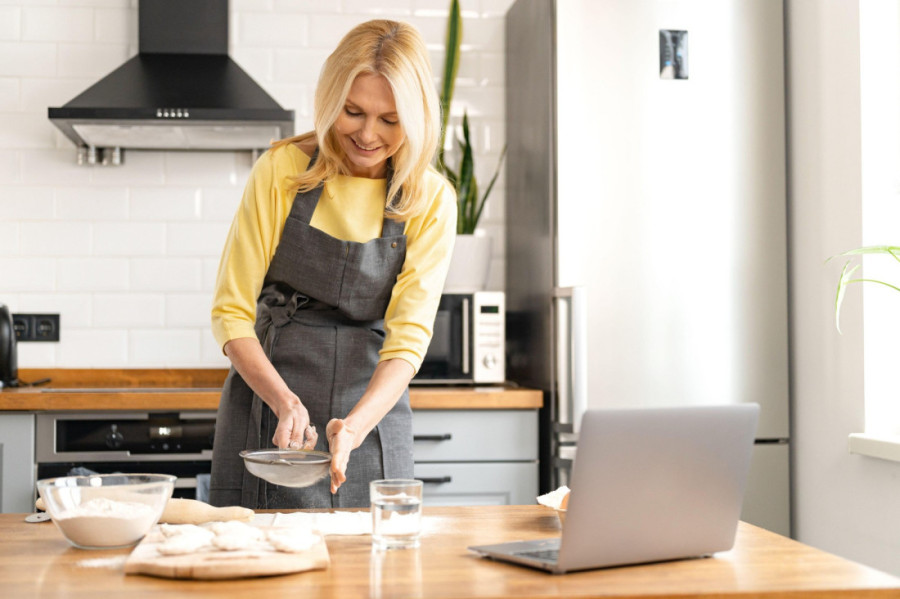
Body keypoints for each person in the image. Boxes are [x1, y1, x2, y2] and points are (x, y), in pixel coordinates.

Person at [208, 19, 457, 509]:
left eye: (390, 119)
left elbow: (409, 338)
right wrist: (284, 402)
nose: (367, 135)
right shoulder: (282, 170)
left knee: (375, 572)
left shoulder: (430, 199)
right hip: (270, 402)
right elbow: (230, 314)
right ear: (329, 102)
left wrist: (357, 425)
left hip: (373, 405)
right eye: (353, 112)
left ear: (417, 118)